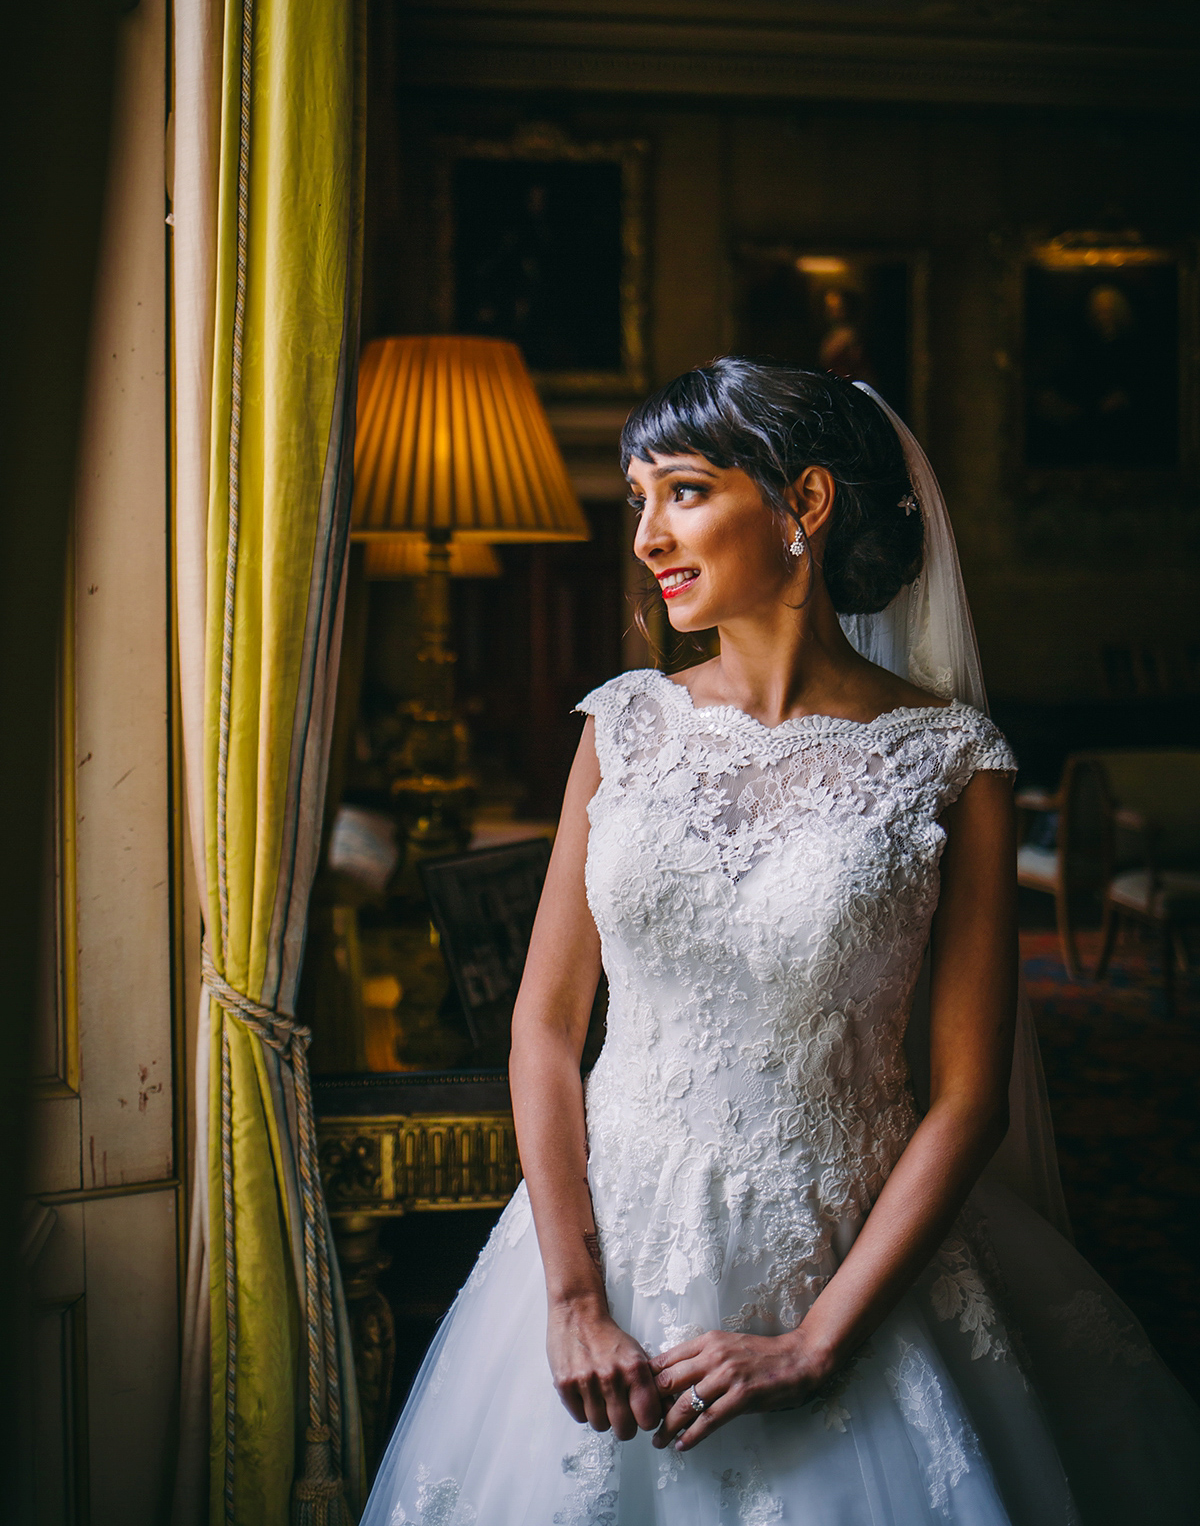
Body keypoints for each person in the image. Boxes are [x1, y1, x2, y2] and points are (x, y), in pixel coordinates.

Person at [363, 359, 1200, 1525]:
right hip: (609, 1252)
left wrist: (815, 1344)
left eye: (686, 491)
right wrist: (569, 1300)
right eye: (637, 500)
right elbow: (546, 1031)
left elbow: (968, 1098)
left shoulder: (953, 759)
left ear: (804, 503)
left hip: (849, 1258)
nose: (649, 534)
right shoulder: (623, 728)